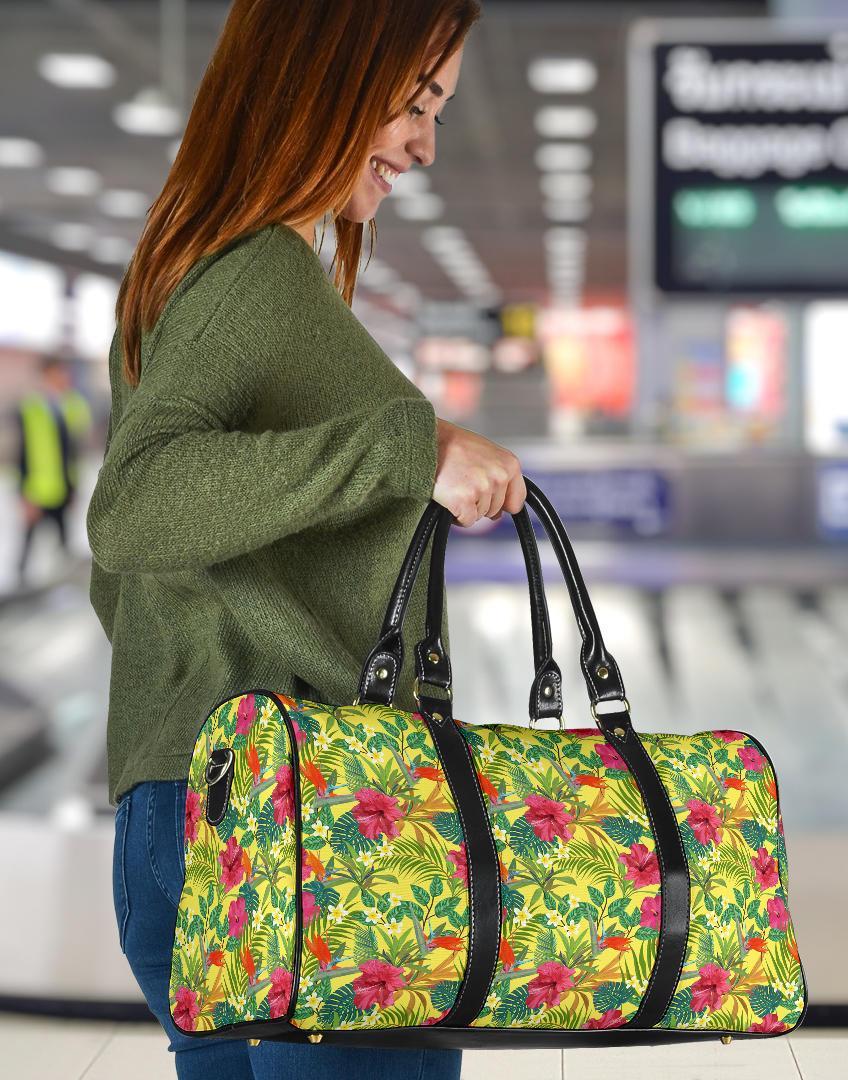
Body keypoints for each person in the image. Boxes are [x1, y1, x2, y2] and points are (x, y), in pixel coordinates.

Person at [88, 3, 523, 1077]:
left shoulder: (190, 267)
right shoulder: (254, 276)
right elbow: (134, 505)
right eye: (416, 102)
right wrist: (406, 452)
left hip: (197, 805)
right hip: (310, 823)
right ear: (324, 70)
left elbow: (135, 575)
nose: (424, 142)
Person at [13, 353, 92, 587]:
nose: (65, 377)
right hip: (37, 490)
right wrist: (24, 495)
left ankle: (61, 589)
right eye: (60, 372)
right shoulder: (31, 407)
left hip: (63, 488)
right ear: (47, 374)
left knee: (64, 545)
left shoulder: (70, 404)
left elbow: (75, 445)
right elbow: (22, 453)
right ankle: (18, 593)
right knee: (27, 547)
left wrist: (73, 488)